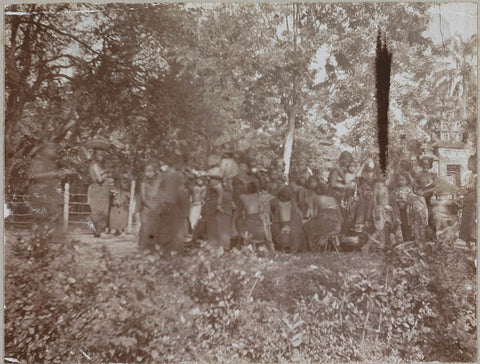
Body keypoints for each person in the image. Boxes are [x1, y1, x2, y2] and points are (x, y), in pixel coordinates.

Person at [27, 142, 73, 238]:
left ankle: (53, 238)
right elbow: (32, 176)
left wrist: (60, 175)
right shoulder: (38, 161)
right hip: (39, 192)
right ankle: (41, 240)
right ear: (45, 150)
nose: (54, 151)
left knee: (55, 215)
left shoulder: (51, 163)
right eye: (52, 149)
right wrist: (51, 174)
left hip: (50, 192)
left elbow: (52, 176)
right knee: (42, 218)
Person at [157, 148, 189, 252]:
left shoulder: (164, 174)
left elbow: (157, 190)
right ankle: (175, 251)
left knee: (164, 229)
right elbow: (180, 193)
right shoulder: (178, 176)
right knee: (176, 229)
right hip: (174, 205)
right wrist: (184, 206)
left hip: (164, 205)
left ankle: (164, 250)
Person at [304, 182, 343, 251]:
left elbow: (313, 215)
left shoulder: (316, 198)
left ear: (315, 191)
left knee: (307, 225)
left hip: (324, 223)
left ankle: (314, 247)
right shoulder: (333, 199)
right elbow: (340, 215)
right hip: (336, 225)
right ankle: (327, 243)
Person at [87, 139, 112, 237]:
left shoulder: (97, 165)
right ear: (95, 156)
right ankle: (97, 231)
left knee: (101, 211)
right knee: (98, 211)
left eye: (102, 155)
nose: (101, 157)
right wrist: (107, 173)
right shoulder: (94, 165)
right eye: (99, 155)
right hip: (98, 190)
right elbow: (100, 179)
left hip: (102, 191)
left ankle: (98, 231)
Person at [270, 186, 306, 253]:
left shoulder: (276, 203)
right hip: (292, 227)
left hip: (281, 226)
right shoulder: (293, 203)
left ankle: (284, 247)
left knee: (275, 228)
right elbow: (300, 215)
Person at [138, 160, 163, 250]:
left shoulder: (158, 182)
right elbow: (143, 198)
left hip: (156, 209)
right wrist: (151, 206)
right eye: (147, 171)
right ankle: (142, 247)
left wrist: (158, 206)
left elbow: (160, 195)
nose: (149, 173)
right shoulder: (143, 183)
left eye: (151, 171)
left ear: (154, 171)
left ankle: (151, 247)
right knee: (145, 228)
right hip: (147, 209)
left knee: (154, 228)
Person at [459, 154, 477, 247]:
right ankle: (467, 241)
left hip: (474, 203)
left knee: (472, 223)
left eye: (469, 163)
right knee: (466, 222)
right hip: (467, 203)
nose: (468, 165)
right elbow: (466, 188)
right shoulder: (469, 176)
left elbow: (473, 188)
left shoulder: (477, 178)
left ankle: (473, 241)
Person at [394, 172, 413, 241]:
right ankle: (401, 239)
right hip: (399, 209)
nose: (401, 181)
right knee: (400, 223)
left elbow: (411, 199)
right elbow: (395, 198)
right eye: (399, 180)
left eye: (403, 180)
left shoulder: (408, 189)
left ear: (407, 181)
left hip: (407, 209)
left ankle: (408, 238)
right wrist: (399, 201)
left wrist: (405, 201)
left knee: (407, 223)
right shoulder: (397, 189)